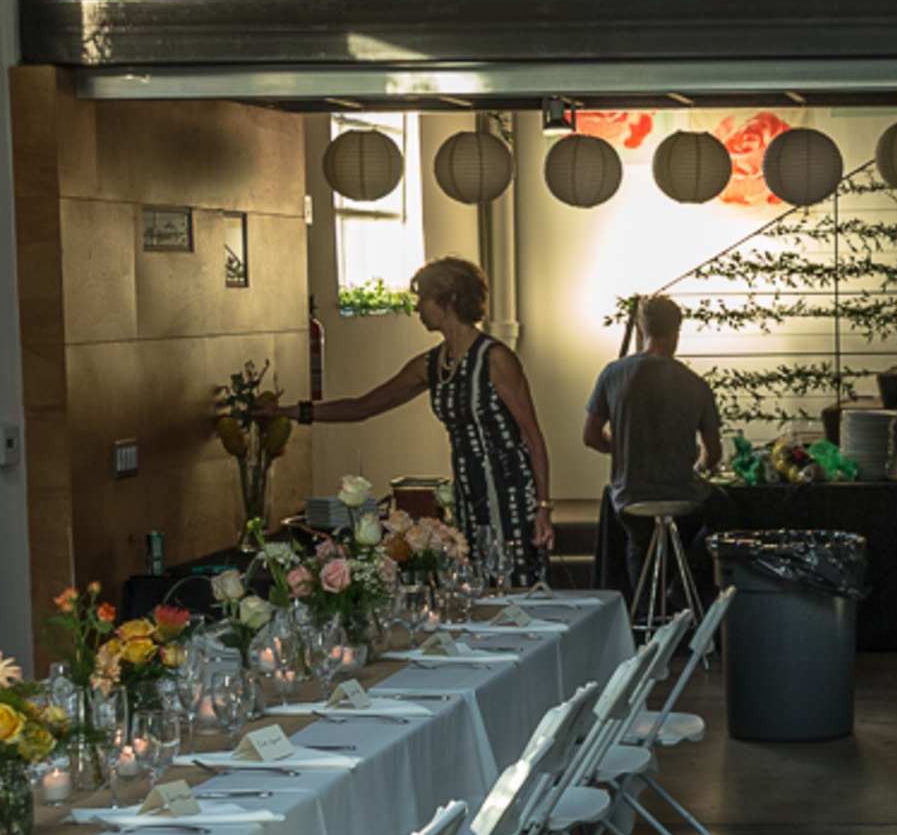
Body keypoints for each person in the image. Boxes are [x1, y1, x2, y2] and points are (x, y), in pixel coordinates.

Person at [297, 255, 555, 585]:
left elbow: (531, 435)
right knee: (476, 579)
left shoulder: (495, 358)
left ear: (448, 301)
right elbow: (364, 406)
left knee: (516, 579)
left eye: (423, 299)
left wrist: (544, 506)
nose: (418, 309)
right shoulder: (432, 364)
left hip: (511, 492)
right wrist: (298, 412)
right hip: (467, 491)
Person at [585, 293, 726, 600]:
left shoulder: (613, 373)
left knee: (639, 540)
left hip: (630, 496)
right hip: (681, 496)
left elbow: (591, 436)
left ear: (641, 328)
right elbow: (713, 453)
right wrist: (699, 465)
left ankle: (644, 616)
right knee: (724, 508)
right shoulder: (695, 384)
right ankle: (681, 585)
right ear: (677, 331)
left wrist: (623, 449)